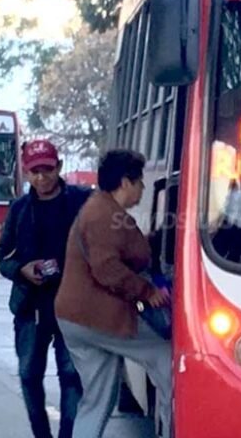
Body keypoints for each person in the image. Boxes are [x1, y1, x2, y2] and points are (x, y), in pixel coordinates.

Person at [55, 150, 171, 438]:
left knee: (97, 399)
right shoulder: (103, 214)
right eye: (140, 181)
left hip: (76, 319)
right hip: (100, 317)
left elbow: (128, 250)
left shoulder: (101, 209)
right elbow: (106, 268)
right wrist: (147, 292)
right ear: (125, 182)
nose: (143, 188)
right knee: (168, 361)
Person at [0, 140, 91, 438]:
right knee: (28, 375)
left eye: (47, 170)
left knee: (71, 377)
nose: (41, 177)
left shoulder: (83, 201)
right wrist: (22, 270)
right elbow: (2, 257)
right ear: (26, 173)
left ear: (59, 167)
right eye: (35, 171)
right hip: (31, 306)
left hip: (73, 306)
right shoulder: (19, 208)